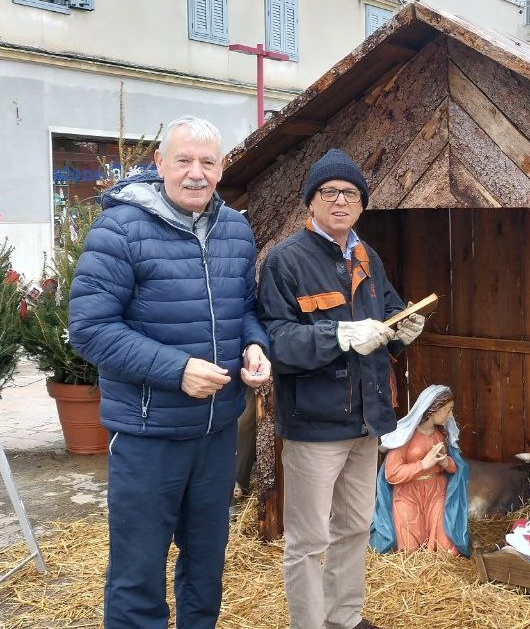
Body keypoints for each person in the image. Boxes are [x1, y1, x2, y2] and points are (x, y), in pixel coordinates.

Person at [69, 116, 272, 629]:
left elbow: (246, 307)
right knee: (138, 573)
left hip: (217, 431)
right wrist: (176, 369)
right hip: (147, 434)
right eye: (183, 160)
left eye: (207, 162)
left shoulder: (235, 228)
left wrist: (254, 344)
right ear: (159, 164)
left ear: (222, 168)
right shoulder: (120, 229)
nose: (196, 173)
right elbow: (90, 329)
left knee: (206, 567)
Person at [257, 148, 426, 629]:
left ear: (362, 204)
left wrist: (402, 332)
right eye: (328, 192)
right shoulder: (286, 261)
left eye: (349, 193)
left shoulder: (367, 255)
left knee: (353, 527)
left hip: (367, 420)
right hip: (315, 425)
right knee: (308, 541)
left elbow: (388, 318)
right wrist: (337, 336)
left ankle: (343, 616)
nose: (339, 201)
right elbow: (275, 341)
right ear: (311, 202)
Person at [371, 385, 470, 556]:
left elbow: (456, 469)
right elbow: (392, 474)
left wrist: (446, 462)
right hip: (408, 495)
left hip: (436, 493)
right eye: (448, 410)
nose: (451, 415)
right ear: (433, 410)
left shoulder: (443, 435)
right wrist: (423, 464)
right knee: (409, 552)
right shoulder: (404, 436)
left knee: (448, 551)